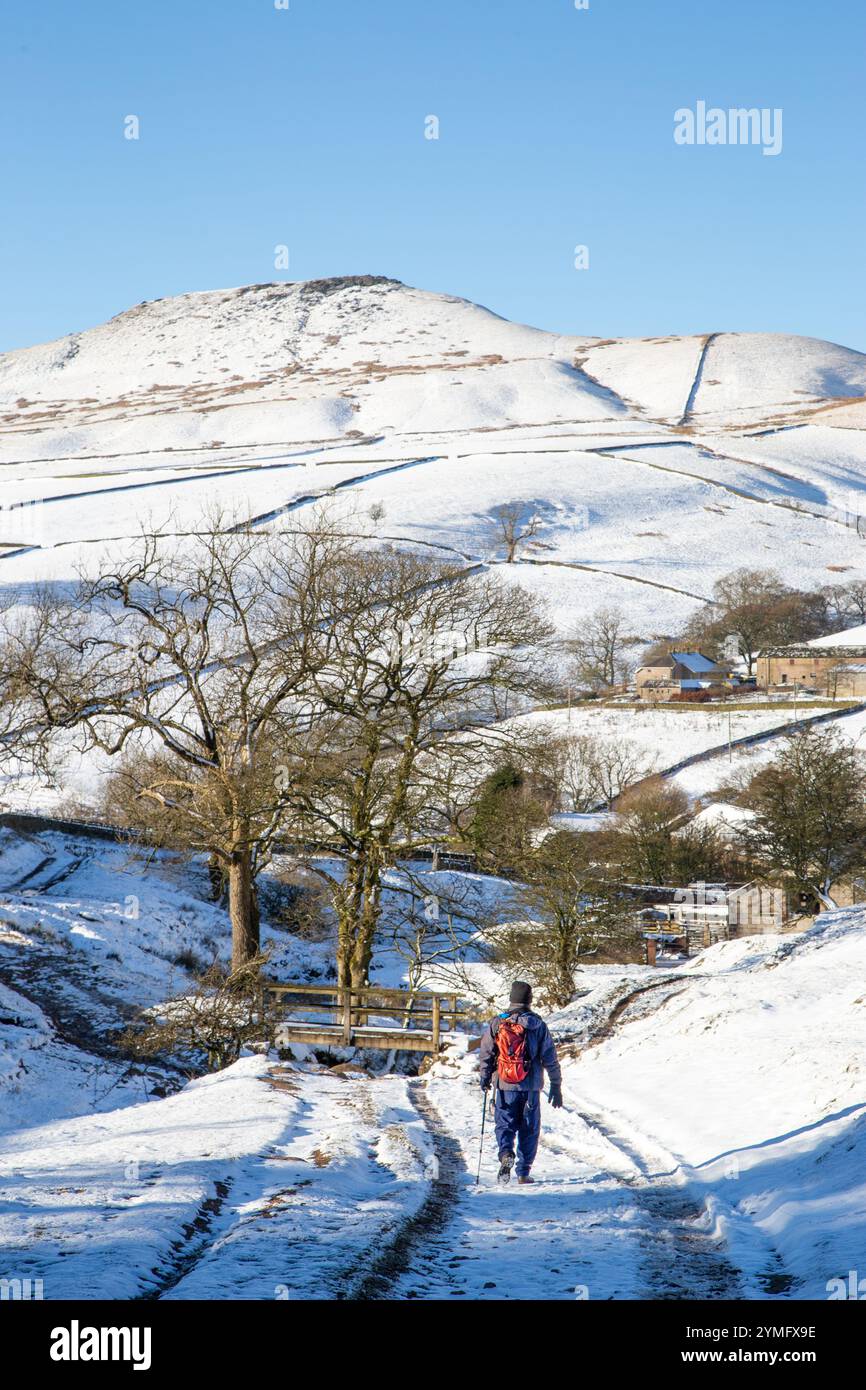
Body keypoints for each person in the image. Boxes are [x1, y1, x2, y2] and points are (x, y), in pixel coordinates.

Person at [478, 979, 563, 1185]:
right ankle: (523, 1173)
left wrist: (485, 1078)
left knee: (504, 1124)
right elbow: (549, 1056)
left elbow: (487, 1053)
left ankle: (506, 1153)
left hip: (505, 1085)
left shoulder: (498, 1023)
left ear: (511, 999)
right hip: (531, 1086)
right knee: (529, 1128)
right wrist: (556, 1084)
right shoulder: (538, 1025)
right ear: (529, 1000)